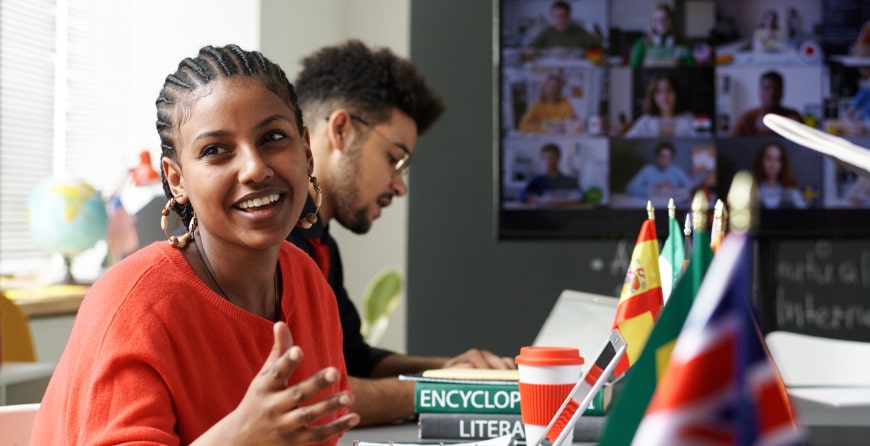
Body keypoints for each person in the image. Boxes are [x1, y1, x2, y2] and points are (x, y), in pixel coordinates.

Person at [31, 44, 359, 444]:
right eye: (215, 151)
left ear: (306, 151)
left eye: (273, 137)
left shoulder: (308, 283)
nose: (255, 168)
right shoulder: (133, 304)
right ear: (177, 179)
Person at [287, 40, 515, 427]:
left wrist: (457, 370)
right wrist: (447, 390)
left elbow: (355, 361)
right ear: (341, 130)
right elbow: (310, 394)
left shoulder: (322, 245)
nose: (399, 186)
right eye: (394, 159)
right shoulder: (273, 246)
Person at [731, 70, 803, 137]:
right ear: (760, 92)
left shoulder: (793, 118)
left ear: (782, 92)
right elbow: (731, 144)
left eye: (776, 89)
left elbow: (805, 144)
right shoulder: (746, 119)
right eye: (767, 88)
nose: (772, 93)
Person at [624, 75, 698, 138]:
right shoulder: (645, 121)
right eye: (659, 92)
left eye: (669, 90)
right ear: (653, 96)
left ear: (676, 93)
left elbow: (701, 143)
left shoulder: (690, 119)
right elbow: (627, 142)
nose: (665, 96)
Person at [629, 3, 695, 67]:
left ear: (672, 21)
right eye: (657, 20)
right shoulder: (642, 44)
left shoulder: (682, 45)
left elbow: (693, 69)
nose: (661, 22)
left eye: (665, 18)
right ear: (653, 22)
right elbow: (632, 70)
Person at [526, 1, 601, 56]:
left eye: (562, 16)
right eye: (556, 17)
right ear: (552, 17)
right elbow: (528, 49)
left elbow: (597, 48)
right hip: (552, 67)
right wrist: (548, 52)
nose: (559, 20)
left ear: (569, 16)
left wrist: (578, 53)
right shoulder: (547, 31)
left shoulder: (579, 31)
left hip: (576, 67)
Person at [519, 143, 583, 204]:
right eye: (546, 158)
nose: (549, 162)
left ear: (558, 158)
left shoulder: (569, 181)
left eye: (552, 158)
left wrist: (561, 202)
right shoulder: (536, 180)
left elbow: (580, 197)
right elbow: (522, 196)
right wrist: (542, 200)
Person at [625, 141, 691, 198]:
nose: (664, 160)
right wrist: (655, 188)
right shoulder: (648, 170)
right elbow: (630, 188)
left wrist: (675, 188)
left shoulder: (677, 170)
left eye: (668, 158)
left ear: (671, 158)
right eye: (662, 157)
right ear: (657, 156)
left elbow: (691, 187)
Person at [752, 141, 807, 209]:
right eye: (769, 158)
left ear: (782, 164)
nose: (773, 163)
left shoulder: (791, 193)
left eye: (777, 159)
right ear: (761, 161)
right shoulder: (751, 193)